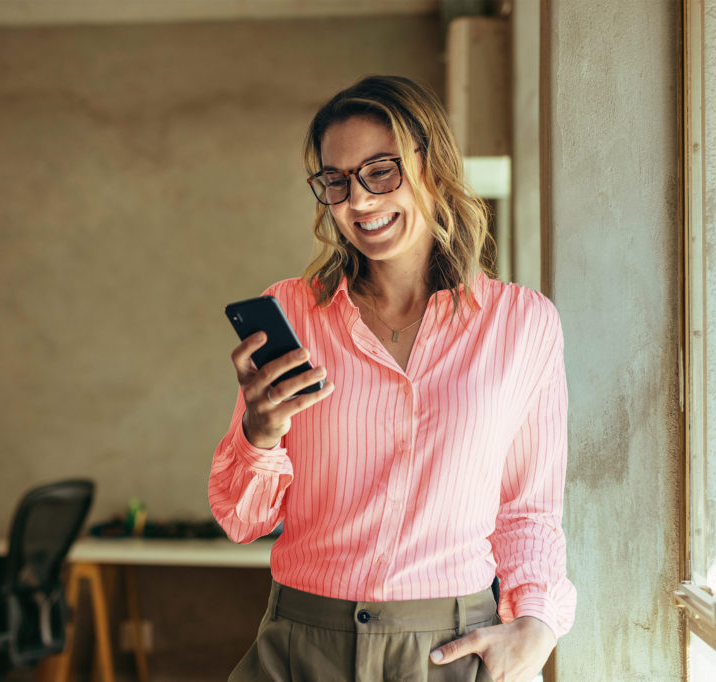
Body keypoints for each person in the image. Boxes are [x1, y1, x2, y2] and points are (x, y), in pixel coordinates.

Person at [209, 75, 575, 682]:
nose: (357, 202)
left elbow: (528, 510)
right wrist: (259, 434)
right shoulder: (294, 313)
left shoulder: (522, 323)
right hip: (301, 644)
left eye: (381, 171)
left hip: (450, 650)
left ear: (434, 168)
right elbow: (241, 520)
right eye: (336, 181)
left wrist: (535, 628)